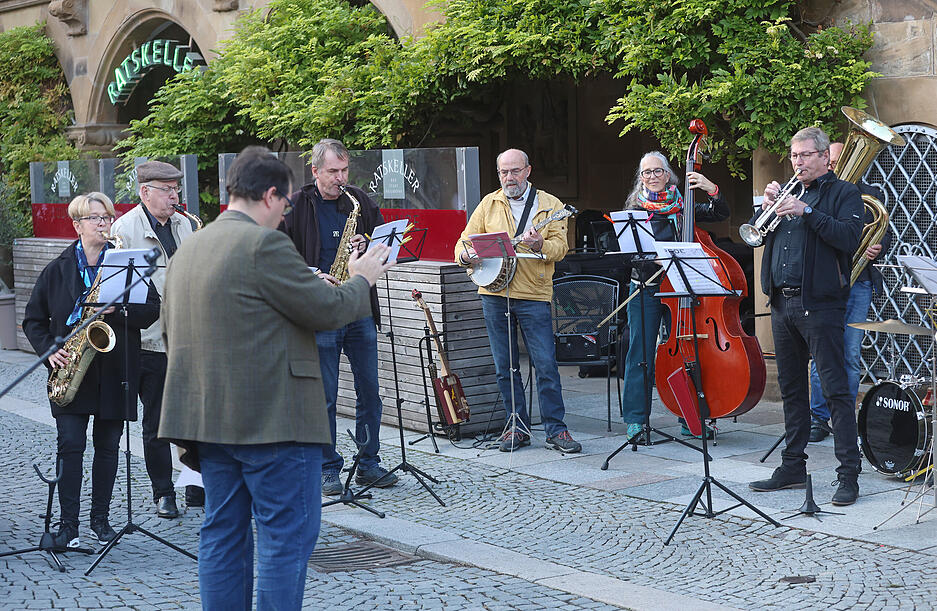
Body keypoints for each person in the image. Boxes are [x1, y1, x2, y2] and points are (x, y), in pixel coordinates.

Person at [158, 146, 394, 609]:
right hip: (273, 423)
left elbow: (173, 329)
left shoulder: (190, 248)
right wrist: (363, 277)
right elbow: (327, 310)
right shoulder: (264, 244)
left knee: (223, 533)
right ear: (269, 195)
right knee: (287, 538)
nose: (286, 212)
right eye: (284, 203)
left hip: (210, 421)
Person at [23, 192, 159, 549]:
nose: (103, 224)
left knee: (108, 446)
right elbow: (33, 320)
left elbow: (152, 310)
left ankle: (101, 520)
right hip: (72, 369)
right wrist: (50, 350)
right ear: (77, 225)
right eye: (95, 218)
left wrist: (122, 310)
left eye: (107, 217)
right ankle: (69, 525)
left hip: (115, 368)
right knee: (70, 444)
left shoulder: (125, 264)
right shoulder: (58, 268)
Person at [748, 127, 864, 506]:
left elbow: (848, 238)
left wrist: (807, 210)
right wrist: (767, 207)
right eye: (794, 156)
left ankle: (849, 475)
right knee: (793, 392)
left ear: (824, 158)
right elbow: (759, 237)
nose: (797, 162)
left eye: (805, 155)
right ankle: (792, 467)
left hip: (821, 306)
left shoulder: (843, 194)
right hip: (782, 304)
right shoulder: (785, 195)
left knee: (836, 393)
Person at [280, 138, 398, 495]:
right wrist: (313, 274)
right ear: (315, 171)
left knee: (370, 391)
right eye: (333, 171)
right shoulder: (297, 204)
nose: (341, 178)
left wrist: (369, 248)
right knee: (325, 395)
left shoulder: (358, 200)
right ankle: (326, 468)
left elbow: (384, 243)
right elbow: (279, 254)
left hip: (358, 307)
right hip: (321, 308)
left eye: (345, 170)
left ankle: (368, 462)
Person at [455, 148, 581, 453]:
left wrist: (540, 245)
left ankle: (556, 429)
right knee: (504, 366)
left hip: (533, 294)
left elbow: (560, 248)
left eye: (515, 171)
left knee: (546, 364)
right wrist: (464, 255)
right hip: (493, 293)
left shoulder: (550, 205)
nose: (509, 178)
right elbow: (464, 240)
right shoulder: (489, 203)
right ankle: (516, 426)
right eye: (503, 172)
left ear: (528, 170)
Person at [111, 160, 202, 518]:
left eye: (176, 189)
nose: (174, 196)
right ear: (145, 192)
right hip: (151, 340)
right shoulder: (124, 229)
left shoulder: (186, 225)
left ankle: (196, 485)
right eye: (167, 190)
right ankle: (163, 491)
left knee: (196, 417)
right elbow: (119, 292)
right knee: (157, 422)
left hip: (189, 337)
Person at [618, 152, 730, 441]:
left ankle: (690, 417)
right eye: (646, 173)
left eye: (658, 171)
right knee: (640, 352)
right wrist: (659, 259)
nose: (652, 177)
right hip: (648, 286)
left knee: (688, 352)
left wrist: (710, 188)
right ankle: (636, 420)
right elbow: (630, 253)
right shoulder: (635, 209)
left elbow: (721, 213)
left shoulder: (685, 206)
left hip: (683, 289)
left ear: (668, 175)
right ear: (640, 178)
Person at [807, 141, 891, 442]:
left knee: (851, 354)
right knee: (821, 353)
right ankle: (818, 417)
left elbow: (885, 235)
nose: (835, 164)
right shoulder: (816, 193)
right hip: (826, 284)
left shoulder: (873, 194)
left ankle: (845, 416)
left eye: (841, 159)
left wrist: (877, 248)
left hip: (858, 282)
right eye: (830, 159)